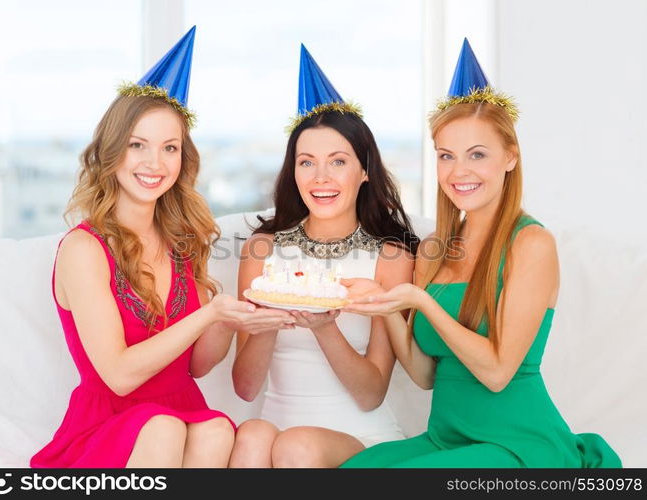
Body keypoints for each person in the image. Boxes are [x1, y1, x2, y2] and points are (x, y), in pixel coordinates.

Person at [340, 39, 622, 468]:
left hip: (516, 444)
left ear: (510, 157)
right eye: (446, 156)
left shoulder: (531, 244)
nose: (459, 172)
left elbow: (496, 372)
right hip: (448, 439)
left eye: (477, 155)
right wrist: (384, 304)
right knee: (354, 471)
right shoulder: (435, 248)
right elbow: (424, 375)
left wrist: (421, 303)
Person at [30, 27, 294, 468]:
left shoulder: (182, 239)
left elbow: (196, 367)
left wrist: (235, 317)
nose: (155, 163)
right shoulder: (84, 249)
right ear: (112, 153)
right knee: (164, 427)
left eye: (169, 148)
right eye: (138, 146)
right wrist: (209, 313)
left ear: (182, 159)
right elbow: (117, 376)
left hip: (182, 410)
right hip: (109, 426)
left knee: (213, 429)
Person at [227, 44, 420, 468]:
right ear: (292, 172)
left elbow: (371, 393)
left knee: (296, 445)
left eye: (337, 161)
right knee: (254, 433)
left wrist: (323, 327)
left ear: (365, 169)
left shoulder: (390, 257)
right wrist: (270, 316)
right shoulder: (263, 249)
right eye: (306, 162)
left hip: (360, 438)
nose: (321, 178)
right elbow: (245, 387)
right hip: (274, 436)